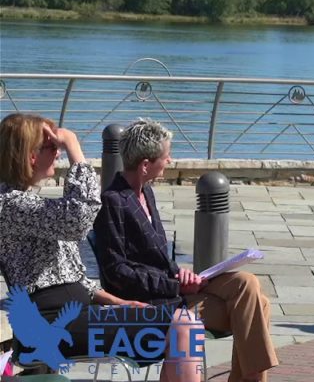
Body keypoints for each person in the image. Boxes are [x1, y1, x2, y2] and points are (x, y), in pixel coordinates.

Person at [0, 113, 202, 381]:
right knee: (184, 326)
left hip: (77, 317)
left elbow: (73, 275)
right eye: (52, 147)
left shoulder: (27, 204)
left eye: (60, 148)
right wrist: (74, 146)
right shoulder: (10, 205)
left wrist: (117, 302)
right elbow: (80, 218)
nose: (58, 154)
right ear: (31, 156)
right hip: (49, 324)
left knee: (184, 325)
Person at [92, 118, 278, 382]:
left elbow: (157, 258)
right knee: (260, 306)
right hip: (155, 301)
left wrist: (182, 274)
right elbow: (116, 272)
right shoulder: (112, 202)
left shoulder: (146, 193)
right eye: (166, 157)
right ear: (145, 165)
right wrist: (174, 286)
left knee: (247, 283)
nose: (170, 161)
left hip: (175, 288)